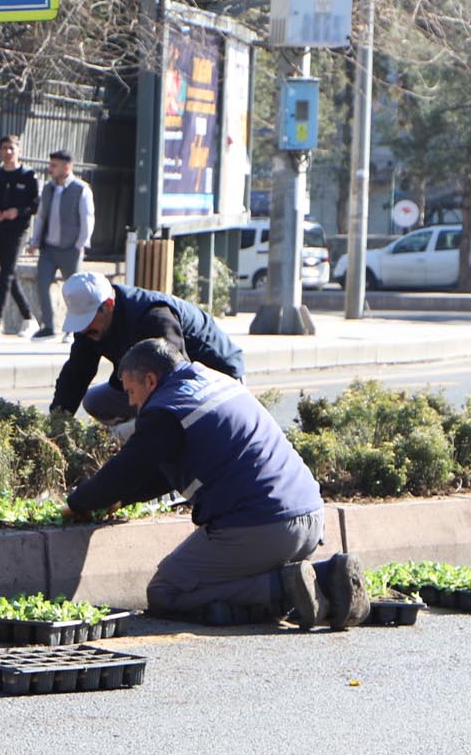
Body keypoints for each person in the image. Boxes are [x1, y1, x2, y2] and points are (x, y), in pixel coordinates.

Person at [66, 338, 367, 628]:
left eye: (131, 391)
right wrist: (122, 499)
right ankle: (326, 576)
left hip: (263, 526)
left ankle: (284, 587)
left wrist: (80, 501)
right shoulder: (213, 380)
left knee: (166, 591)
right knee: (230, 576)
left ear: (151, 381)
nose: (131, 403)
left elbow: (127, 468)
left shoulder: (166, 409)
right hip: (311, 517)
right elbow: (161, 471)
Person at [51, 272, 246, 428]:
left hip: (214, 378)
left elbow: (178, 380)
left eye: (88, 320)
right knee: (95, 401)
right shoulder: (89, 329)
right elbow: (75, 375)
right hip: (153, 383)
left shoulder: (154, 318)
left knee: (177, 431)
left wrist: (148, 432)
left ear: (108, 305)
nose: (84, 329)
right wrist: (56, 426)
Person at [29, 149, 94, 341]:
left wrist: (81, 243)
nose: (50, 169)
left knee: (74, 290)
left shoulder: (81, 189)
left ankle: (73, 329)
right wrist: (35, 241)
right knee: (42, 284)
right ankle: (48, 326)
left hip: (70, 248)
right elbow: (41, 217)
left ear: (67, 167)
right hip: (49, 247)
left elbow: (87, 218)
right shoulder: (48, 189)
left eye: (54, 165)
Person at [0, 135, 40, 334]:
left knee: (5, 274)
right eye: (4, 148)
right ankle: (28, 317)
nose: (8, 152)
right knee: (8, 274)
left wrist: (18, 211)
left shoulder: (28, 176)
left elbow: (35, 205)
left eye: (12, 148)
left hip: (18, 231)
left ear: (19, 151)